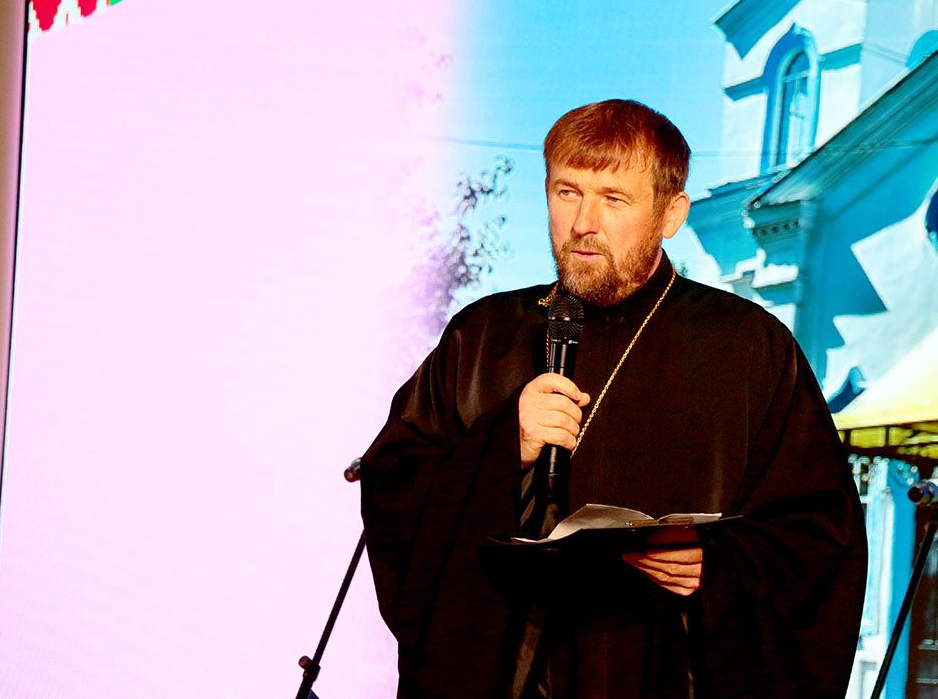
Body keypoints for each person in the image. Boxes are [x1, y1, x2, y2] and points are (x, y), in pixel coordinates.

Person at [360, 99, 867, 698]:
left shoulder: (749, 346)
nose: (583, 222)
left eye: (614, 198)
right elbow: (392, 485)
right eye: (567, 192)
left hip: (666, 675)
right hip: (505, 678)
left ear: (671, 214)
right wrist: (502, 445)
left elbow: (822, 535)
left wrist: (720, 564)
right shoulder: (483, 334)